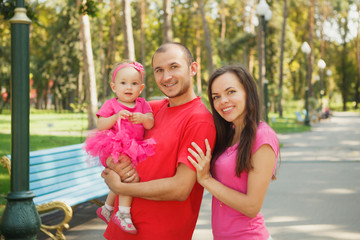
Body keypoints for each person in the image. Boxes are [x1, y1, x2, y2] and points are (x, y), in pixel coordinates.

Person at [101, 42, 216, 240]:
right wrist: (111, 162)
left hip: (158, 233)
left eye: (174, 67)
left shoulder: (199, 120)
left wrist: (121, 188)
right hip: (120, 230)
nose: (166, 77)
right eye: (159, 70)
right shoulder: (151, 109)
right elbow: (106, 135)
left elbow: (180, 188)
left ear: (193, 69)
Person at [188, 65, 279, 240]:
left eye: (230, 92)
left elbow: (252, 207)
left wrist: (207, 180)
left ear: (247, 92)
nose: (223, 101)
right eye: (216, 97)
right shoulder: (227, 134)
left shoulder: (263, 137)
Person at [84, 60, 155, 234]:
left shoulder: (142, 104)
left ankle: (107, 208)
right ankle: (123, 213)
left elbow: (150, 123)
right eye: (123, 83)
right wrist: (115, 117)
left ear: (141, 88)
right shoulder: (111, 104)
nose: (128, 87)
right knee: (130, 178)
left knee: (124, 177)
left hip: (135, 148)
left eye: (134, 83)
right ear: (114, 86)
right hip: (114, 146)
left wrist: (143, 118)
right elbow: (101, 124)